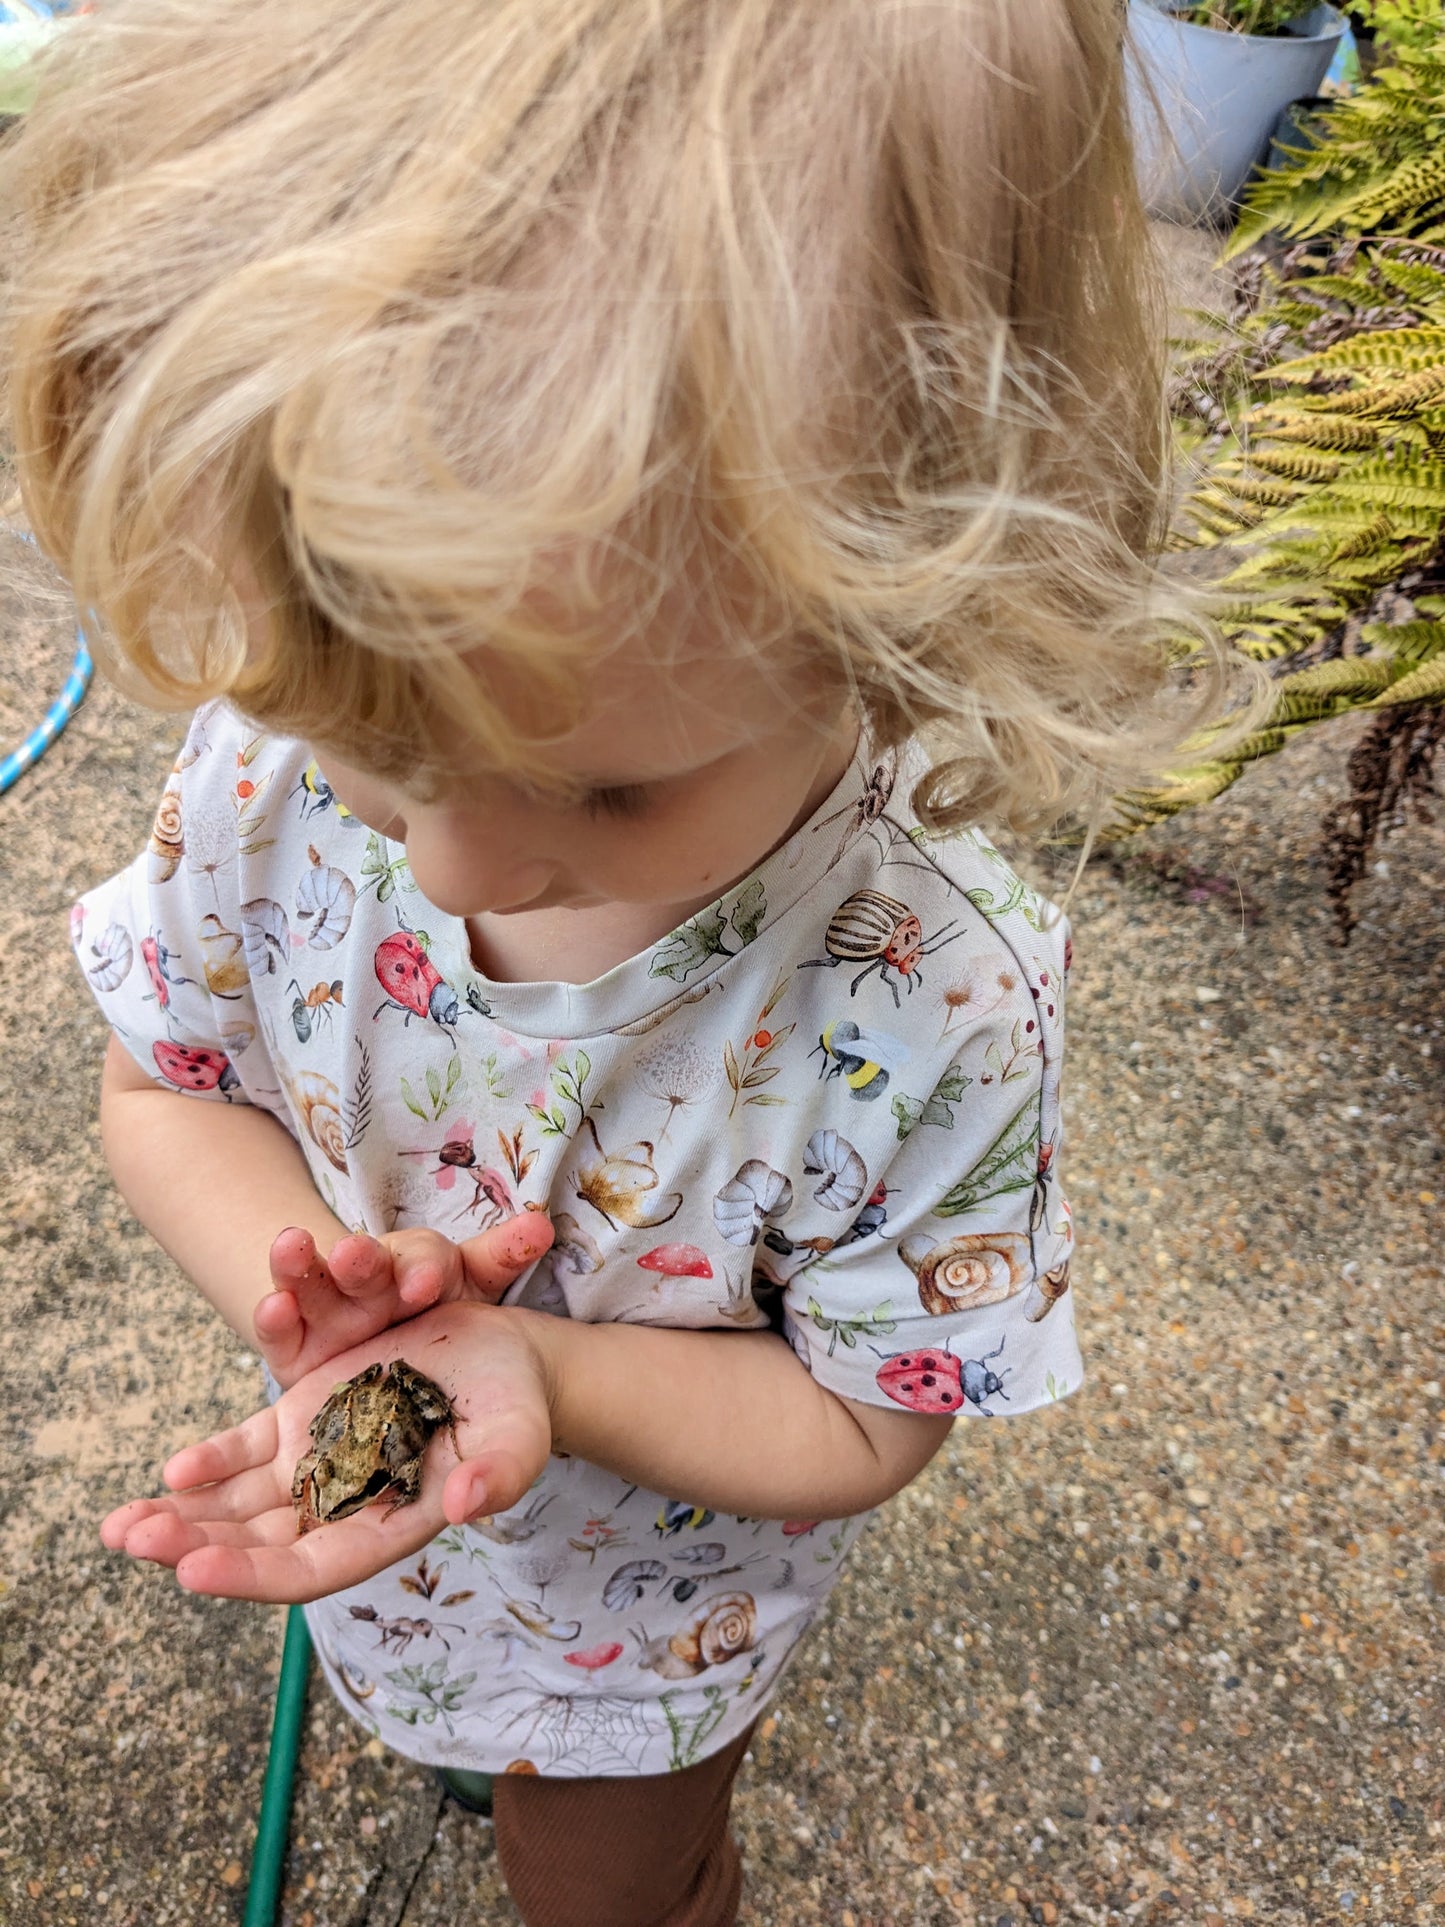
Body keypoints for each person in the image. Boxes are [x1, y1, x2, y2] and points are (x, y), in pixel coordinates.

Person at [2, 2, 1239, 1920]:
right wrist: (334, 1309)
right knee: (423, 1702)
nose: (446, 858)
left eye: (602, 789)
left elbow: (861, 1407)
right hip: (398, 1523)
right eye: (379, 758)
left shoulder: (930, 985)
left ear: (922, 602)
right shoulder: (287, 740)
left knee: (608, 1884)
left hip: (649, 1633)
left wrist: (543, 1371)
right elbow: (167, 1077)